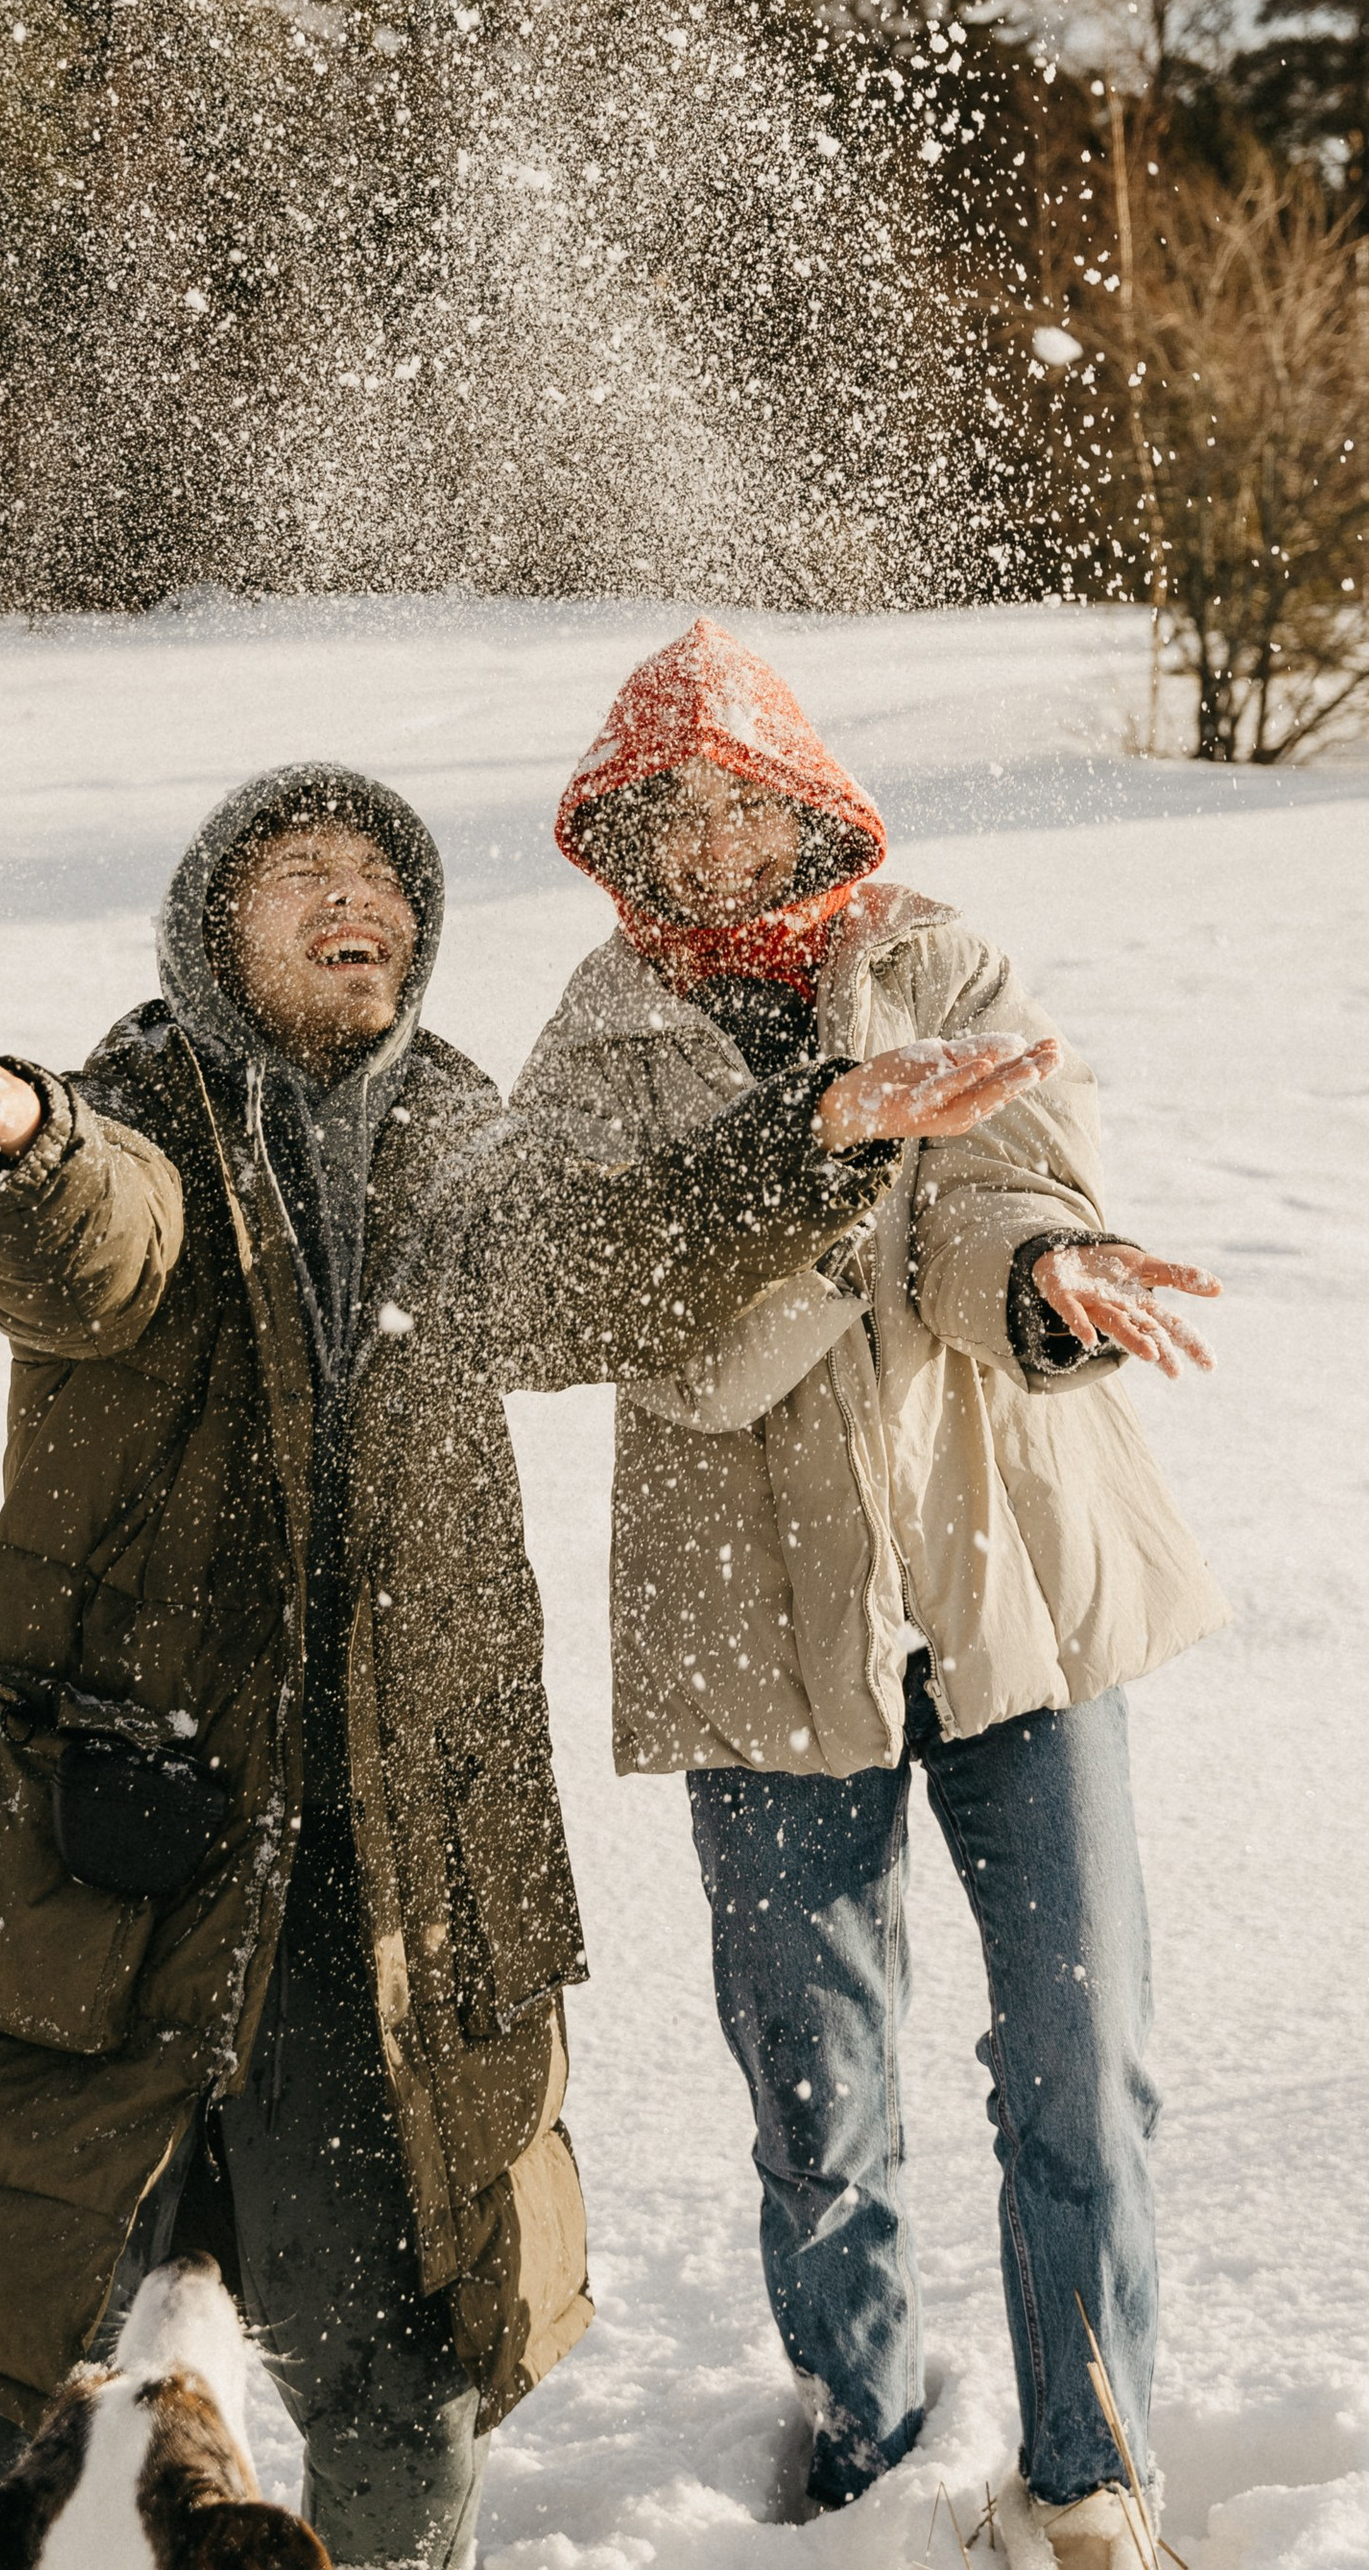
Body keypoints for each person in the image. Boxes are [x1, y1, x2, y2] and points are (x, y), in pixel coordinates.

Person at [0, 759, 1059, 2570]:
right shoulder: (139, 1105)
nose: (360, 898)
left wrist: (811, 1141)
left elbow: (602, 1267)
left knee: (402, 2363)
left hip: (389, 1863)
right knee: (25, 2339)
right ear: (209, 934)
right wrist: (15, 1145)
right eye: (304, 872)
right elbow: (102, 1246)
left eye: (386, 877)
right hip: (119, 1830)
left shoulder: (462, 1129)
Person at [504, 624, 1227, 2570]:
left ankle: (1083, 2477)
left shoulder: (937, 963)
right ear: (621, 837)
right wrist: (832, 1171)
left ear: (811, 799)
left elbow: (1003, 1197)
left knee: (1081, 2065)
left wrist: (1037, 1280)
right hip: (753, 1639)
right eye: (675, 815)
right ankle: (866, 2448)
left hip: (1009, 1595)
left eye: (750, 804)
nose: (720, 847)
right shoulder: (591, 1040)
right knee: (815, 2100)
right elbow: (619, 1327)